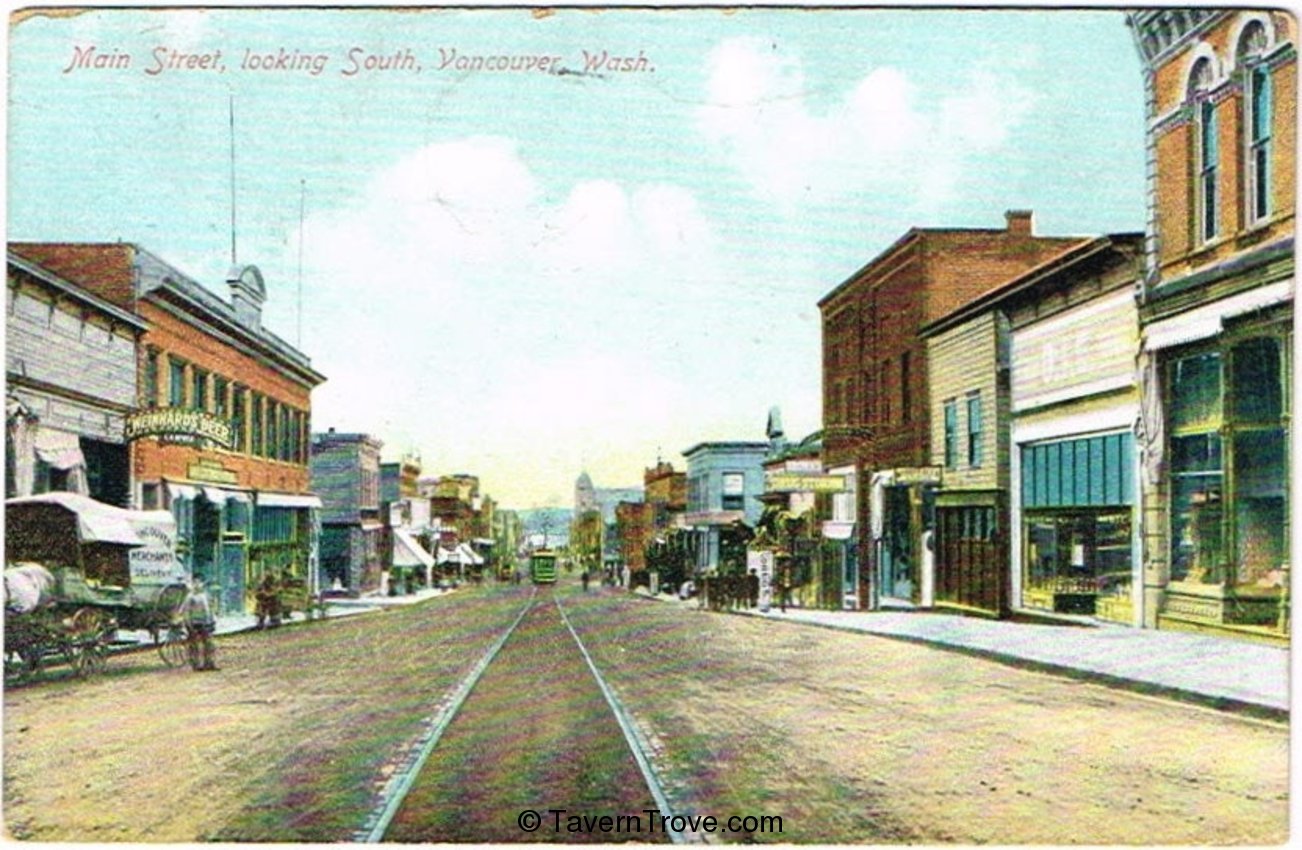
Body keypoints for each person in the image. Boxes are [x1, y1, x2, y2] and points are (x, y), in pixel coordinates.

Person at [184, 578, 218, 671]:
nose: (197, 585)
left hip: (205, 622)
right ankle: (196, 665)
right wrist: (188, 624)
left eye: (199, 583)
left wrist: (212, 620)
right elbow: (186, 611)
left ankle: (209, 663)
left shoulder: (205, 596)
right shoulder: (190, 597)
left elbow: (209, 609)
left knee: (209, 644)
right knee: (195, 645)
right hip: (195, 623)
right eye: (195, 583)